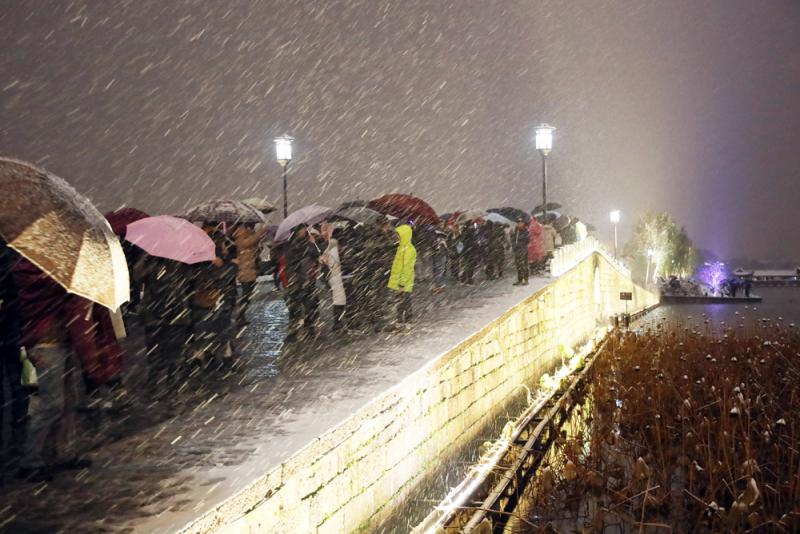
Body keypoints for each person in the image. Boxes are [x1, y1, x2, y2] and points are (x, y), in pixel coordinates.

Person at [13, 259, 101, 481]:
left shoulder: (51, 268)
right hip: (46, 343)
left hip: (63, 340)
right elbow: (48, 293)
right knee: (51, 403)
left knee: (68, 403)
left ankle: (65, 453)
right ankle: (30, 460)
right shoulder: (32, 269)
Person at [139, 256, 194, 397]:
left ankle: (166, 386)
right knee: (161, 352)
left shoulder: (177, 261)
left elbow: (186, 281)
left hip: (171, 314)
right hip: (161, 315)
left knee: (168, 352)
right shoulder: (151, 260)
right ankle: (162, 386)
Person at [0, 242, 27, 461]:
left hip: (10, 330)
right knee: (18, 385)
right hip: (11, 331)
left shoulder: (8, 255)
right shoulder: (11, 253)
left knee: (17, 385)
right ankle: (19, 435)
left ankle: (18, 435)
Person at [284, 225, 321, 342]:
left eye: (305, 229)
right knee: (295, 308)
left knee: (310, 305)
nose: (304, 231)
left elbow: (316, 255)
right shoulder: (292, 245)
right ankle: (294, 332)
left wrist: (313, 243)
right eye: (302, 229)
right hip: (297, 280)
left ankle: (309, 329)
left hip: (307, 279)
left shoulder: (307, 242)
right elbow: (291, 262)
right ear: (296, 231)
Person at [232, 223, 267, 325]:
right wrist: (260, 231)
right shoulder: (240, 236)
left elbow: (253, 245)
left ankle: (241, 315)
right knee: (245, 295)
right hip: (245, 271)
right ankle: (239, 316)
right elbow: (248, 242)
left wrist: (258, 238)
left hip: (250, 269)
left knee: (247, 295)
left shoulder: (247, 235)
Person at [387, 223, 417, 325]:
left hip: (403, 281)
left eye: (398, 235)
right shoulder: (401, 247)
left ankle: (407, 319)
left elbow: (407, 268)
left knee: (405, 301)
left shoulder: (408, 249)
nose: (397, 237)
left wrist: (402, 283)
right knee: (401, 301)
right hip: (400, 280)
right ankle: (401, 320)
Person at [321, 228, 347, 331]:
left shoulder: (332, 244)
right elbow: (327, 259)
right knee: (339, 299)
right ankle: (337, 323)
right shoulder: (333, 244)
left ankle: (338, 322)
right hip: (335, 275)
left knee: (339, 298)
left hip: (335, 275)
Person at [431, 223, 448, 293]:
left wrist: (438, 249)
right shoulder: (436, 241)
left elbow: (443, 250)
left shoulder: (442, 242)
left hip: (440, 256)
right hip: (437, 256)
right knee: (436, 270)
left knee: (439, 270)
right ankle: (438, 285)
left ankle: (440, 286)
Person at [512, 218, 530, 286]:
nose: (519, 224)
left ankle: (526, 279)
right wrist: (514, 245)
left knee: (524, 264)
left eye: (520, 222)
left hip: (523, 249)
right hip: (517, 250)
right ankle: (519, 279)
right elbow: (513, 239)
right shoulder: (516, 231)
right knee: (518, 265)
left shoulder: (526, 230)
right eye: (518, 222)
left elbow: (527, 240)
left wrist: (520, 241)